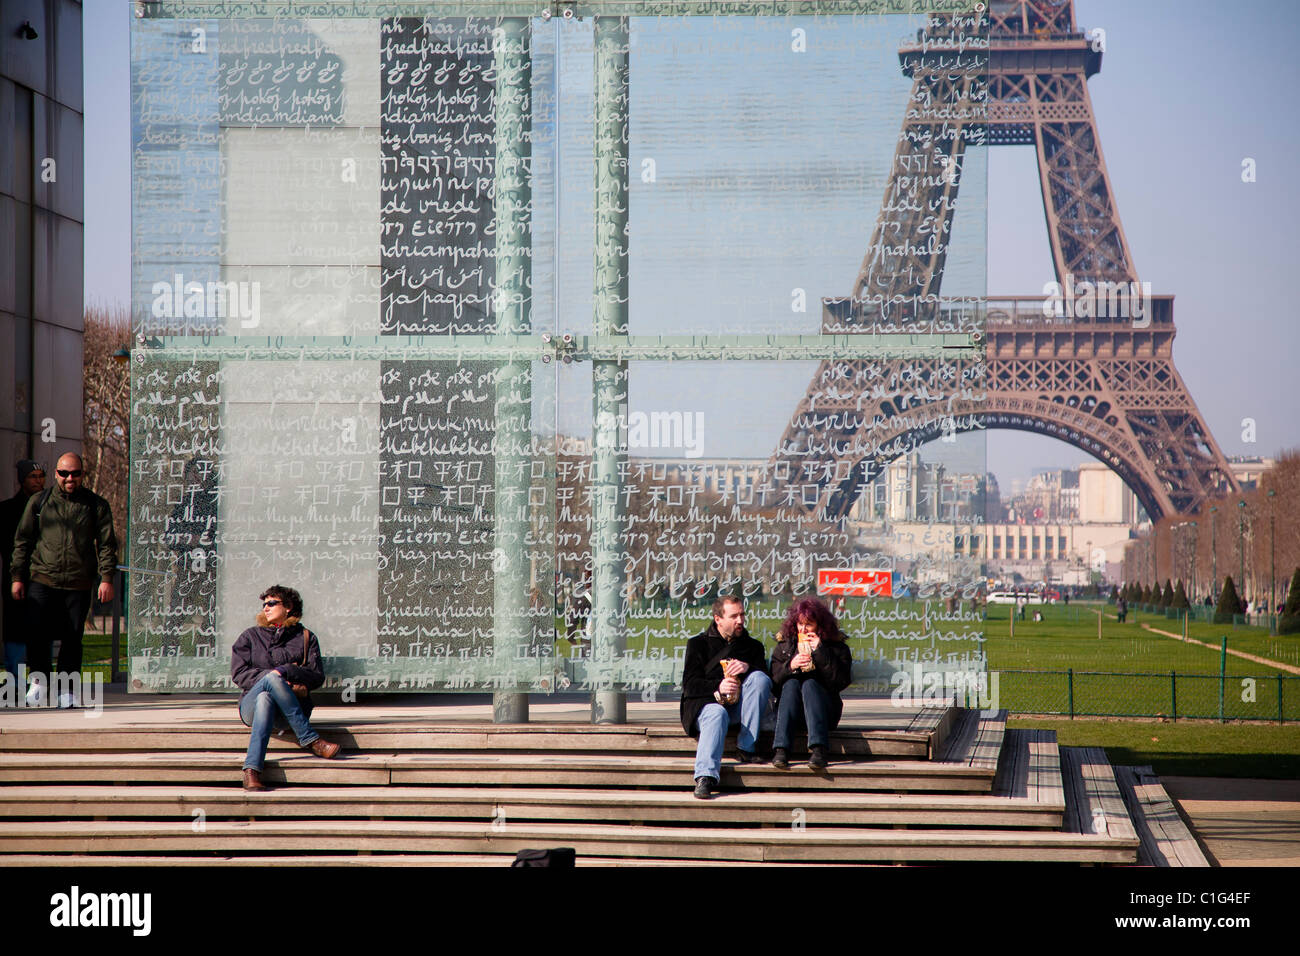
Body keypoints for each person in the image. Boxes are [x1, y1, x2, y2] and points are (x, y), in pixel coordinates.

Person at [10, 453, 116, 708]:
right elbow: (23, 540)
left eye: (75, 473)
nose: (70, 478)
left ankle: (67, 690)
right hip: (42, 579)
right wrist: (17, 577)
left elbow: (107, 544)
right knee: (37, 633)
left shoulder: (95, 505)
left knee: (72, 637)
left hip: (78, 582)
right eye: (64, 473)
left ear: (82, 474)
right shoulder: (40, 502)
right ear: (56, 474)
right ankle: (39, 682)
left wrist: (106, 578)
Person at [230, 585, 340, 791]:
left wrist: (286, 671)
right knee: (270, 682)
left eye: (272, 603)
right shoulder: (250, 636)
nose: (266, 608)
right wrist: (275, 677)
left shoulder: (306, 637)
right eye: (264, 604)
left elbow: (316, 677)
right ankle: (310, 739)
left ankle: (252, 770)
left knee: (267, 697)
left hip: (289, 710)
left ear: (288, 607)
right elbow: (239, 674)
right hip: (249, 708)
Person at [679, 595, 771, 799]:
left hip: (739, 707)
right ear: (718, 619)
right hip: (707, 707)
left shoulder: (753, 647)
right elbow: (690, 685)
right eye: (734, 616)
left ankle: (746, 747)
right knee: (717, 713)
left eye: (742, 615)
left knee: (759, 679)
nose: (740, 620)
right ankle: (705, 776)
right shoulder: (697, 644)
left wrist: (749, 667)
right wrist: (717, 686)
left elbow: (768, 681)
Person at [769, 597, 852, 771]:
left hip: (824, 712)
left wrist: (821, 651)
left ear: (820, 626)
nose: (804, 629)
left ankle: (819, 749)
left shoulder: (836, 647)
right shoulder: (785, 646)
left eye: (809, 624)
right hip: (792, 714)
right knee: (791, 684)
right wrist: (790, 666)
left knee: (810, 684)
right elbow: (774, 684)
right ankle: (781, 749)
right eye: (800, 624)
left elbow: (840, 681)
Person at [1, 460, 45, 679]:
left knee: (41, 631)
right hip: (16, 578)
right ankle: (15, 680)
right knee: (15, 630)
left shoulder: (49, 506)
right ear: (22, 480)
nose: (38, 481)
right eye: (32, 476)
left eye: (40, 475)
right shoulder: (7, 510)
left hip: (44, 578)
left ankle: (41, 679)